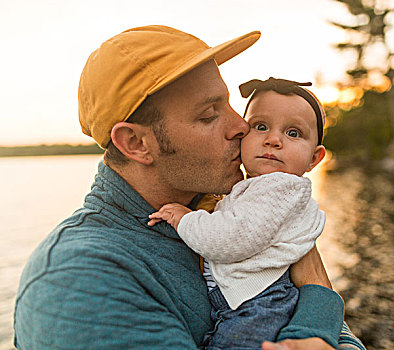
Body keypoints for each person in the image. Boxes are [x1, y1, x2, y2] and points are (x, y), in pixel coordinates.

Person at [13, 25, 364, 350]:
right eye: (209, 115)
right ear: (136, 143)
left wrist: (319, 311)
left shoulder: (229, 209)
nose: (241, 126)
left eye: (229, 103)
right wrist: (320, 293)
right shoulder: (78, 280)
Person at [148, 78, 329, 349]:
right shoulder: (253, 188)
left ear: (314, 159)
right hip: (251, 303)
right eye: (260, 126)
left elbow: (230, 239)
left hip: (259, 305)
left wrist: (185, 219)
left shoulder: (279, 188)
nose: (273, 140)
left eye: (293, 133)